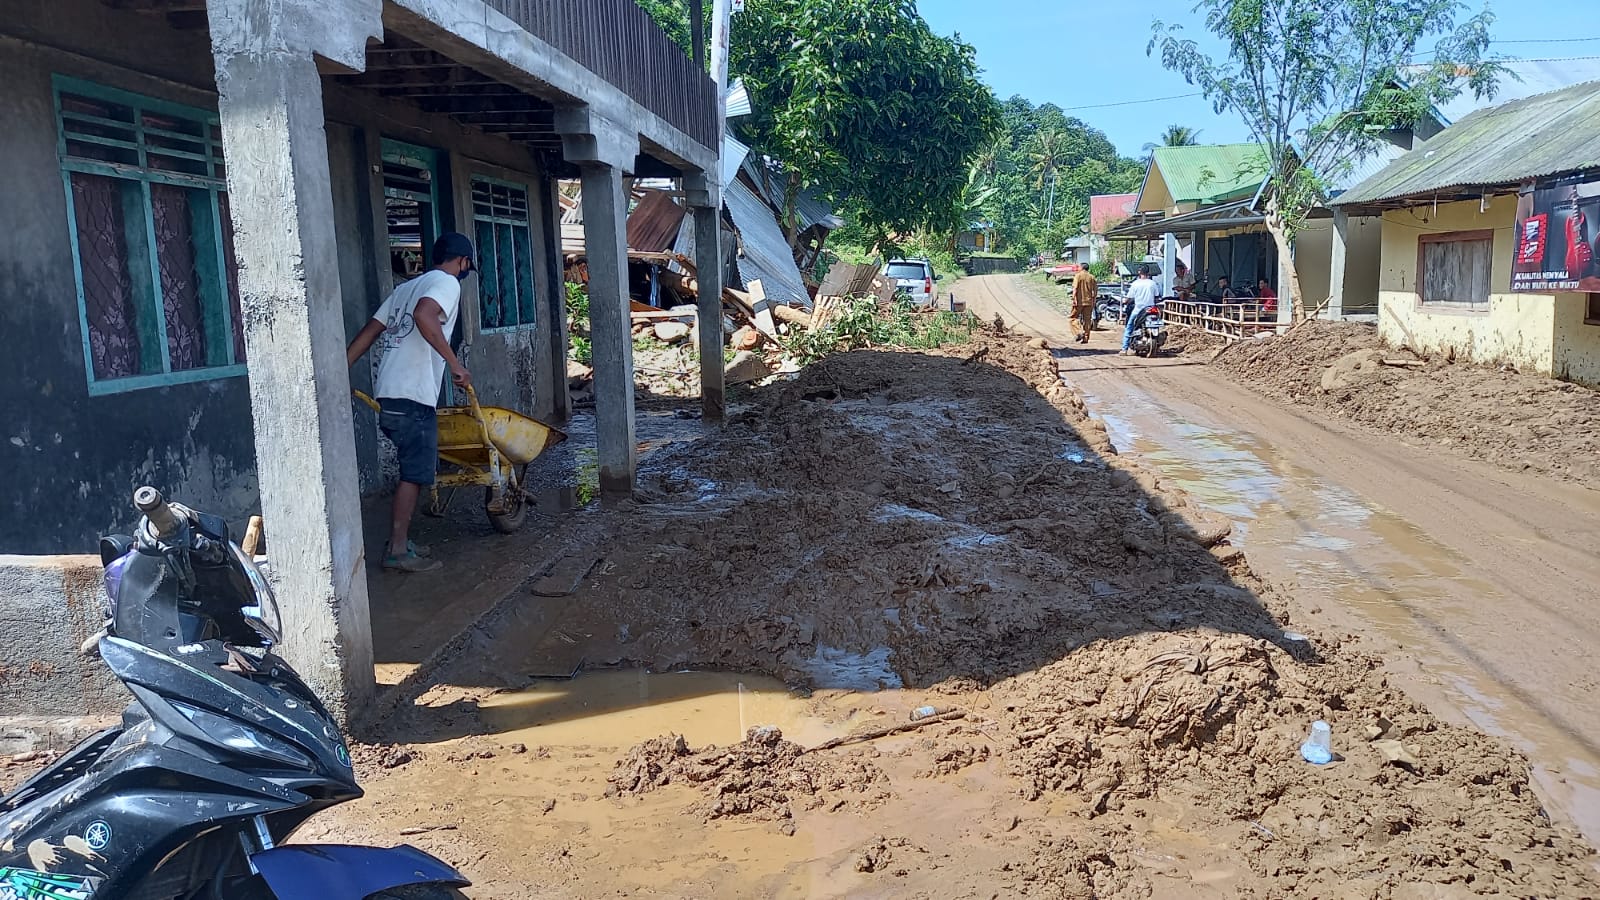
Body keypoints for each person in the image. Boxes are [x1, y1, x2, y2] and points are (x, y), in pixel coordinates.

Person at [345, 232, 476, 573]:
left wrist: (339, 368)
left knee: (412, 468)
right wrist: (455, 363)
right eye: (465, 266)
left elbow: (371, 330)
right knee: (414, 473)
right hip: (413, 394)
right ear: (461, 262)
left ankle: (400, 544)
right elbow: (424, 315)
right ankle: (398, 551)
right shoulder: (447, 283)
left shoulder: (404, 289)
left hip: (389, 393)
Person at [1121, 264, 1159, 356]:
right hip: (1151, 309)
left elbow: (1129, 298)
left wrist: (1125, 301)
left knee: (1129, 327)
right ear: (1148, 272)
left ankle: (1124, 349)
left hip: (1138, 309)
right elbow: (1157, 297)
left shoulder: (1135, 284)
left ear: (1139, 272)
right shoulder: (1152, 283)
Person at [1070, 270, 1098, 344]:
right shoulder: (1092, 277)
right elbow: (1095, 291)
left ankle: (1079, 332)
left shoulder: (1078, 276)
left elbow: (1075, 288)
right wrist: (1094, 300)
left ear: (1081, 268)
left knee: (1073, 318)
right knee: (1087, 320)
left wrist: (1074, 298)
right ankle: (1086, 338)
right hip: (1089, 302)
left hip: (1079, 302)